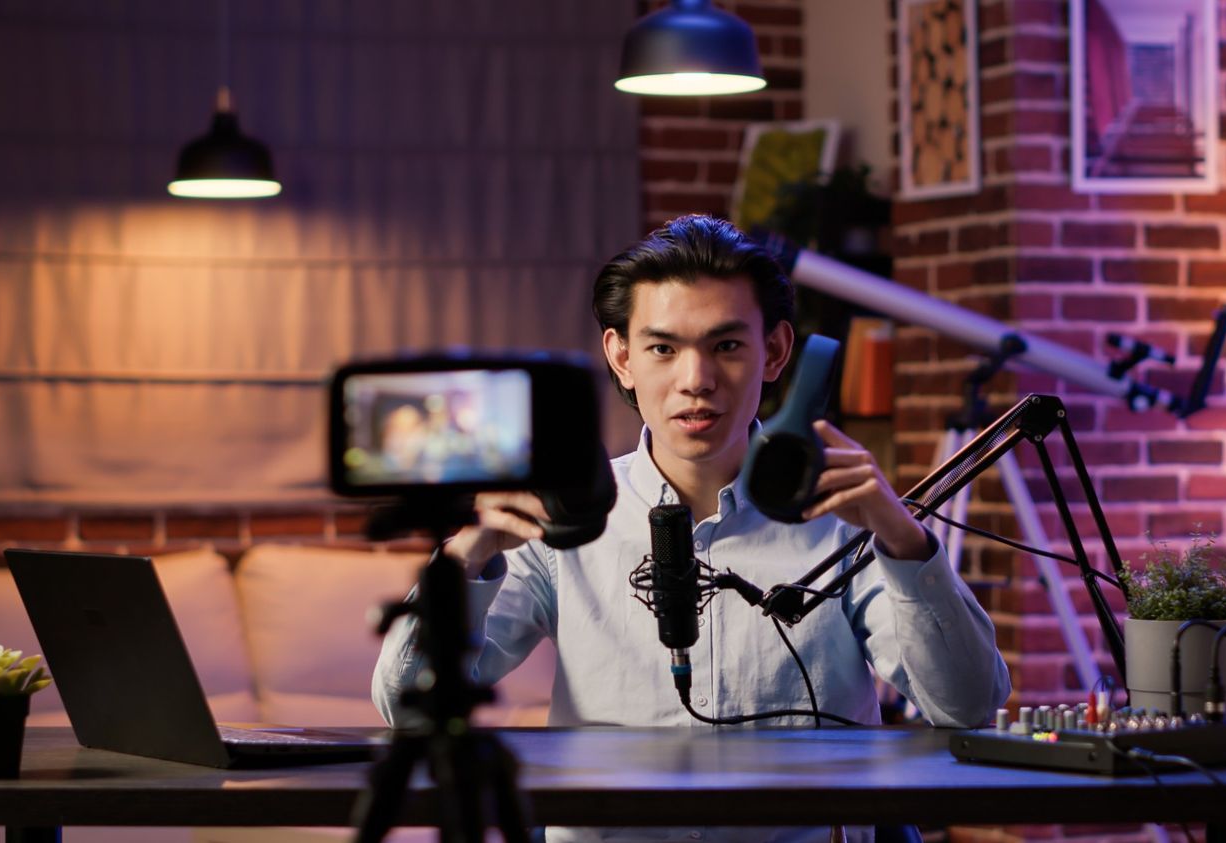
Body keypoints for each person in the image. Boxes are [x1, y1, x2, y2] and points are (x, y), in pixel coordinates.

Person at [373, 215, 1010, 842]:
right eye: (663, 348)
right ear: (621, 356)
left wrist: (903, 539)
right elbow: (402, 707)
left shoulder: (845, 519)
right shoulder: (557, 517)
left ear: (777, 352)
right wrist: (468, 553)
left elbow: (967, 708)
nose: (696, 381)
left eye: (726, 346)